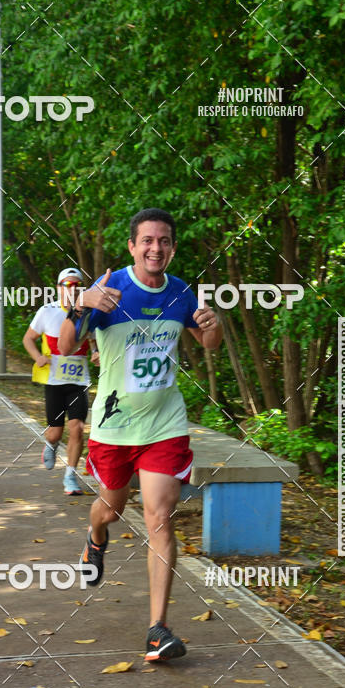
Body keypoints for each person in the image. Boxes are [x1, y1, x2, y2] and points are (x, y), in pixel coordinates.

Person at [58, 208, 222, 662]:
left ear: (171, 246)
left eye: (164, 241)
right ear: (132, 246)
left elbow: (210, 344)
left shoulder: (182, 293)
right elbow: (66, 347)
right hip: (114, 427)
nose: (156, 248)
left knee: (159, 519)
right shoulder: (109, 293)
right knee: (110, 509)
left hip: (164, 425)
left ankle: (158, 630)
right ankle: (95, 537)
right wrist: (81, 304)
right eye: (147, 240)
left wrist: (213, 327)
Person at [22, 267, 94, 496]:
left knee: (78, 429)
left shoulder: (90, 314)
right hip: (54, 382)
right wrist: (38, 357)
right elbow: (28, 339)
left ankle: (70, 476)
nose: (72, 290)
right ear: (59, 288)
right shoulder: (47, 311)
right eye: (68, 286)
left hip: (79, 381)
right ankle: (51, 445)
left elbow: (95, 343)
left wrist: (96, 353)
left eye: (77, 286)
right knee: (55, 432)